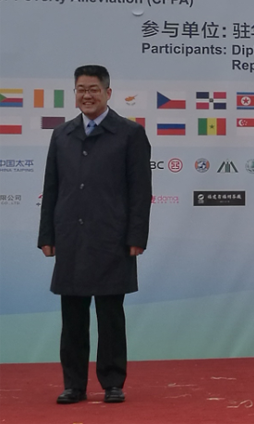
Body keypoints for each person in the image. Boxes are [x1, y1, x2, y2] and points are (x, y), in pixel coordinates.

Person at [38, 65, 152, 404]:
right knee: (72, 316)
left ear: (108, 93)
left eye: (93, 89)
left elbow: (140, 191)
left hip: (111, 238)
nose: (86, 95)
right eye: (81, 89)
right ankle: (74, 384)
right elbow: (51, 187)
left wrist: (136, 237)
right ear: (74, 93)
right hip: (71, 237)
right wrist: (47, 235)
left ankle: (112, 382)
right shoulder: (62, 134)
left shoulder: (130, 134)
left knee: (110, 315)